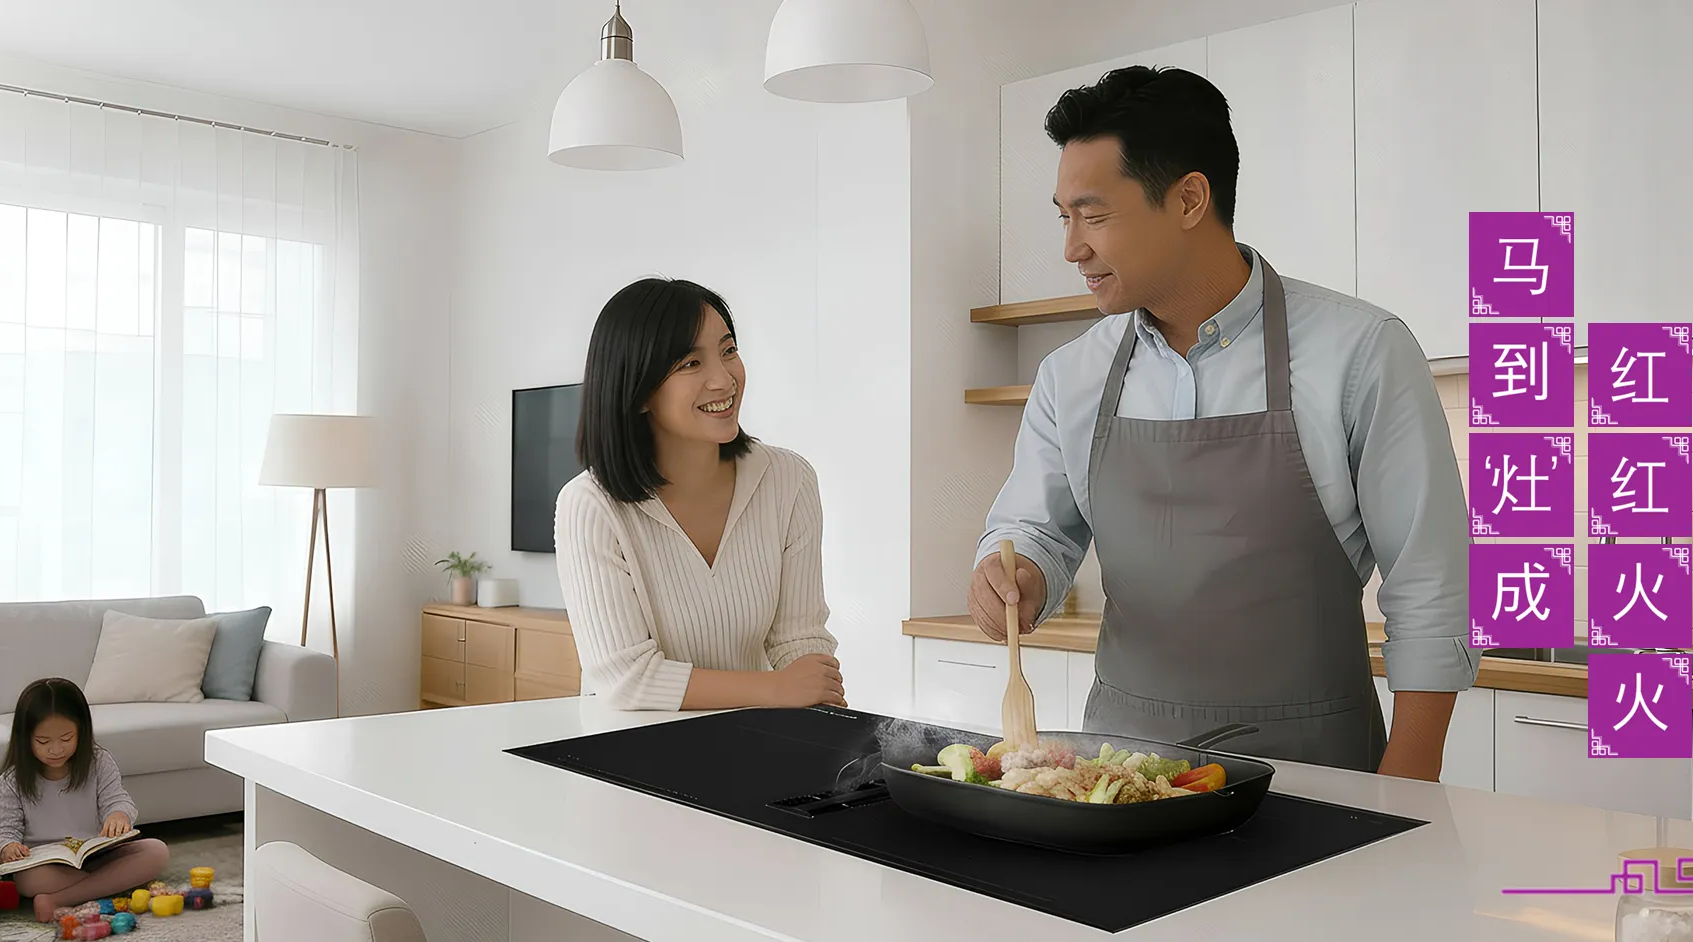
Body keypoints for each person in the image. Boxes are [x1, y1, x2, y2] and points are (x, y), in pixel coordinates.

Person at [969, 66, 1477, 780]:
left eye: (1094, 214)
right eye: (1064, 216)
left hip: (1317, 783)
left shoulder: (1360, 352)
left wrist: (1406, 790)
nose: (1072, 247)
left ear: (1189, 199)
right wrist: (1010, 571)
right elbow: (1037, 533)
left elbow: (1431, 585)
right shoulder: (1070, 376)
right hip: (1119, 784)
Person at [555, 277, 846, 711]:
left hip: (752, 741)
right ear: (638, 392)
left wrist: (822, 717)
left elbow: (798, 640)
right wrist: (776, 690)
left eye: (729, 351)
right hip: (627, 750)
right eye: (690, 364)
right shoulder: (590, 505)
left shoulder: (790, 480)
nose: (724, 379)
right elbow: (627, 680)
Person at [0, 677, 171, 923]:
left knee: (157, 851)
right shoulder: (11, 781)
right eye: (43, 742)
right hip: (47, 865)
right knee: (28, 879)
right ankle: (109, 884)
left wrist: (118, 815)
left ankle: (59, 899)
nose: (56, 749)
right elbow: (0, 830)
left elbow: (117, 800)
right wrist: (7, 846)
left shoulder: (99, 762)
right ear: (24, 737)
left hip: (95, 855)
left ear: (82, 731)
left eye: (66, 739)